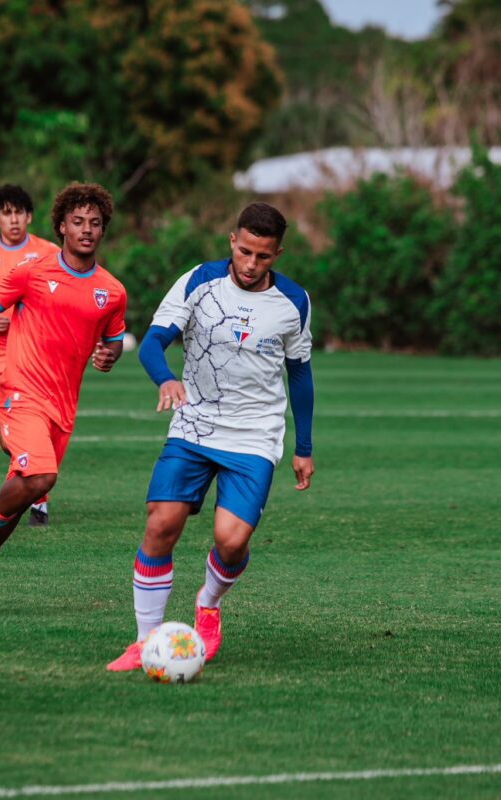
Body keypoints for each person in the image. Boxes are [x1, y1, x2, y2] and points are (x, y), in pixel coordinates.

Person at [106, 202, 315, 672]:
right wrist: (164, 378)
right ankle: (145, 642)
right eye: (244, 252)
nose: (250, 264)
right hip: (194, 423)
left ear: (277, 253)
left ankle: (209, 603)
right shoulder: (199, 282)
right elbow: (155, 340)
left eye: (263, 257)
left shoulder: (294, 303)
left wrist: (303, 448)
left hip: (255, 434)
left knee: (232, 541)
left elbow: (300, 375)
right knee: (161, 522)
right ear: (232, 241)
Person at [0, 183, 127, 617]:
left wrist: (108, 355)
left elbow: (114, 338)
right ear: (61, 226)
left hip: (62, 407)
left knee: (25, 492)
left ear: (103, 231)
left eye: (95, 224)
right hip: (18, 389)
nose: (86, 230)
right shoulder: (33, 270)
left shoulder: (111, 291)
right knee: (41, 476)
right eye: (77, 222)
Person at [0, 184, 60, 524]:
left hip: (38, 351)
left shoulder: (48, 252)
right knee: (9, 436)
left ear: (29, 216)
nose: (14, 219)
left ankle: (38, 501)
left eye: (20, 212)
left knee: (38, 423)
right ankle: (23, 486)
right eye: (7, 213)